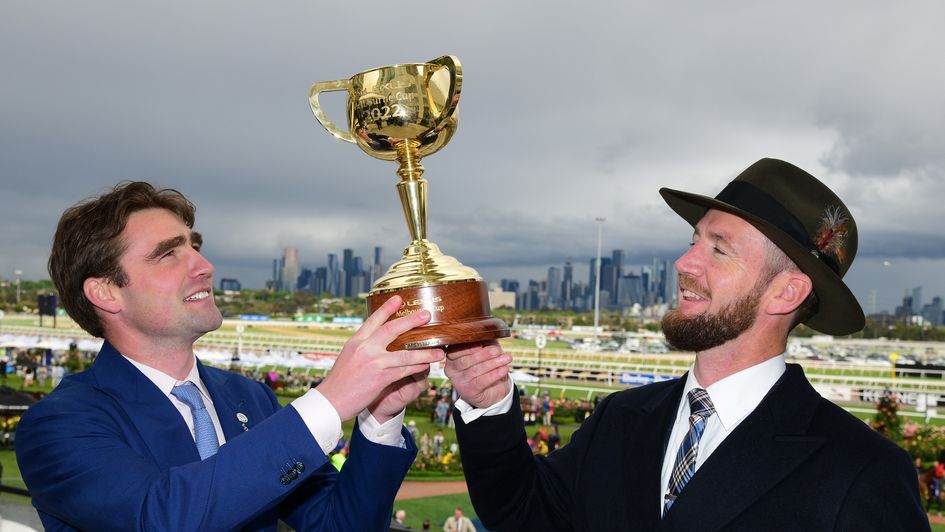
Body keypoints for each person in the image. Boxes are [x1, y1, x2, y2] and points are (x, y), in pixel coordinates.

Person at [445, 159, 927, 530]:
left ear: (788, 292)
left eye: (718, 249)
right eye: (694, 241)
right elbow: (524, 513)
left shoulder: (861, 471)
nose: (684, 263)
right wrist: (488, 404)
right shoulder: (620, 420)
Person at [15, 182, 445, 531]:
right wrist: (330, 401)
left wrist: (380, 420)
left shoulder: (248, 397)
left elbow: (339, 525)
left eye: (194, 246)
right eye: (168, 254)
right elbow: (161, 518)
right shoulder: (59, 425)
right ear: (105, 292)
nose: (203, 265)